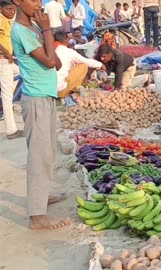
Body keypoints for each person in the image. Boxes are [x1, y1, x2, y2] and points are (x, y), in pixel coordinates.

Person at [11, 0, 70, 229]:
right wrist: (47, 31)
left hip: (46, 96)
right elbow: (47, 60)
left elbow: (55, 64)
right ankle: (37, 216)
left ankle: (42, 197)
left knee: (48, 152)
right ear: (17, 1)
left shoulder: (34, 27)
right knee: (38, 156)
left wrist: (44, 32)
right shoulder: (21, 30)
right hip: (35, 99)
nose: (38, 4)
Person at [54, 31, 102, 97]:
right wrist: (100, 65)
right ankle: (73, 90)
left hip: (49, 89)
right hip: (60, 90)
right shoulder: (68, 52)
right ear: (66, 41)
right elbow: (86, 62)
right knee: (83, 65)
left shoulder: (49, 50)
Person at [0, 0, 23, 139]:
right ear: (1, 9)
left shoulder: (8, 20)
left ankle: (4, 93)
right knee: (7, 97)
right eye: (8, 9)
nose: (12, 12)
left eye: (13, 9)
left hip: (8, 61)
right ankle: (11, 130)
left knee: (20, 72)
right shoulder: (1, 20)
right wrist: (7, 53)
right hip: (3, 60)